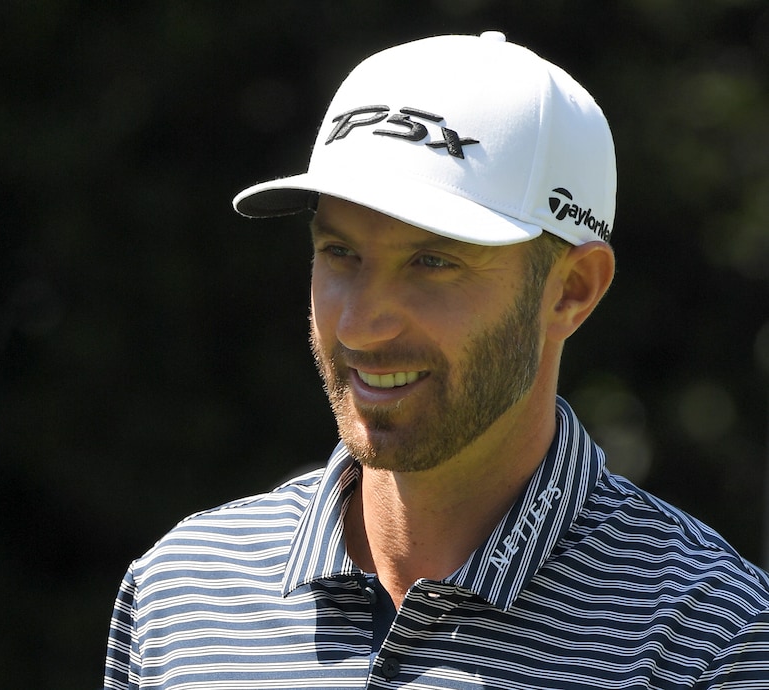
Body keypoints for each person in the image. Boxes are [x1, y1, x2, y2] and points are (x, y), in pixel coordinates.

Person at [103, 32, 769, 689]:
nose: (362, 327)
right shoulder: (179, 597)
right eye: (340, 254)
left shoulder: (712, 642)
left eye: (432, 262)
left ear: (572, 291)